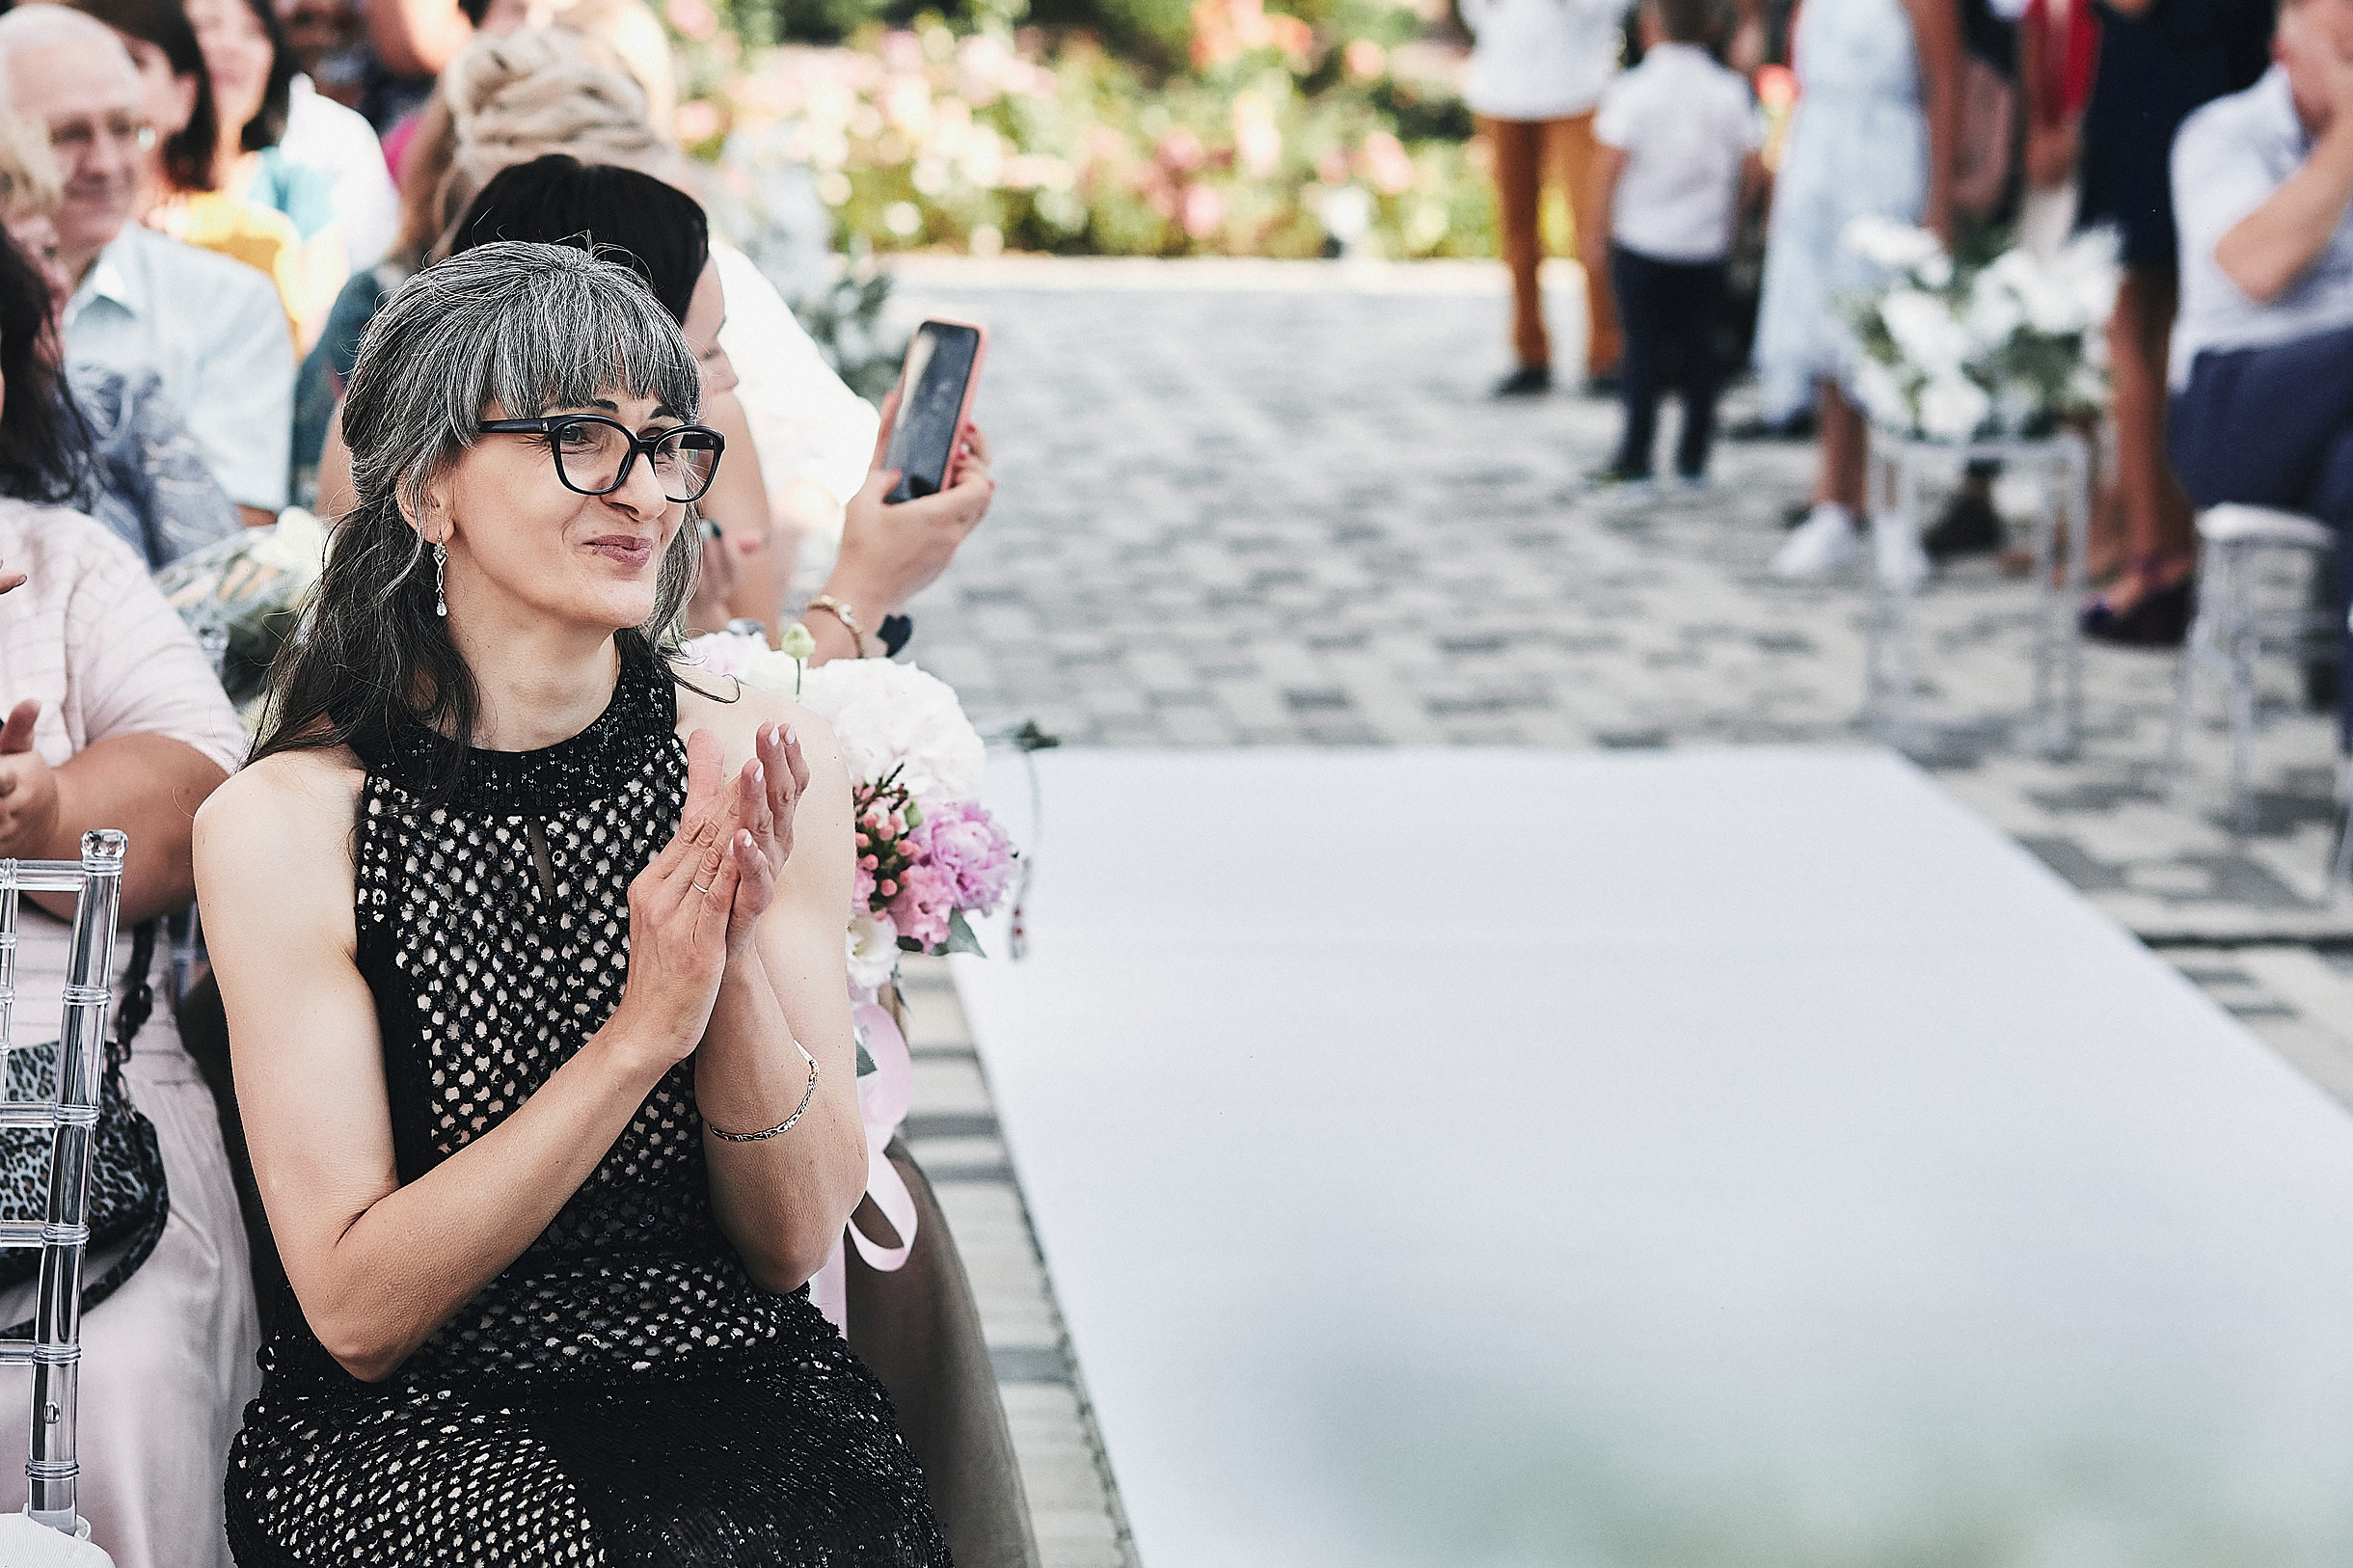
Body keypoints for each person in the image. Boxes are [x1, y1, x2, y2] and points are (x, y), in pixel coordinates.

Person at [196, 239, 951, 1563]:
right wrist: (636, 1036)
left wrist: (728, 974)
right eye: (579, 440)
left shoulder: (761, 753)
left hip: (727, 1378)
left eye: (665, 444)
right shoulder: (288, 822)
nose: (647, 491)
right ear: (429, 488)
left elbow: (789, 1244)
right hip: (417, 1416)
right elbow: (360, 1311)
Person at [0, 221, 258, 1568]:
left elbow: (203, 786)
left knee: (108, 1381)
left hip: (70, 1093)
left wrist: (41, 808)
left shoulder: (62, 565)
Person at [0, 6, 294, 526]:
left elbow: (229, 560)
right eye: (68, 135)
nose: (106, 164)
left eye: (125, 129)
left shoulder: (229, 303)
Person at [2167, 0, 2353, 745]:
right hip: (2231, 409)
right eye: (2345, 45)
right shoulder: (2221, 136)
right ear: (2284, 49)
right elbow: (2258, 267)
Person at [2074, 0, 2273, 643]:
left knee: (2136, 324)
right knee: (2171, 325)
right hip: (2220, 68)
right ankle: (2171, 547)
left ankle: (2155, 559)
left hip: (2164, 82)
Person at [1755, 0, 1964, 581]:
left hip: (1889, 160)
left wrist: (1940, 202)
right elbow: (1799, 81)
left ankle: (1896, 510)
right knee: (1824, 332)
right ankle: (1834, 504)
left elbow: (1946, 83)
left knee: (1886, 338)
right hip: (1820, 161)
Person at [0, 108, 240, 566]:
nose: (52, 282)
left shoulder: (122, 407)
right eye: (12, 264)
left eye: (50, 251)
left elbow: (225, 592)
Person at [1587, 0, 1767, 494]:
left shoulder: (1631, 91)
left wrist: (1594, 231)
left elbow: (1609, 167)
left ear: (1646, 29)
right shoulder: (1730, 91)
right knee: (1700, 354)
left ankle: (1636, 457)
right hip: (1706, 245)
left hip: (1644, 243)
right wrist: (1735, 218)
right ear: (1713, 28)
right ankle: (1693, 460)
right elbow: (1754, 166)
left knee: (1641, 352)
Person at [1460, 0, 1626, 396]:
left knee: (1592, 226)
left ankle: (1607, 352)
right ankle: (1529, 352)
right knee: (1516, 232)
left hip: (1578, 86)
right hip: (1502, 87)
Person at [178, 0, 349, 350]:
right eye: (207, 24)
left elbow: (323, 349)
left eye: (254, 31)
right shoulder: (130, 185)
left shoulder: (298, 188)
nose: (232, 45)